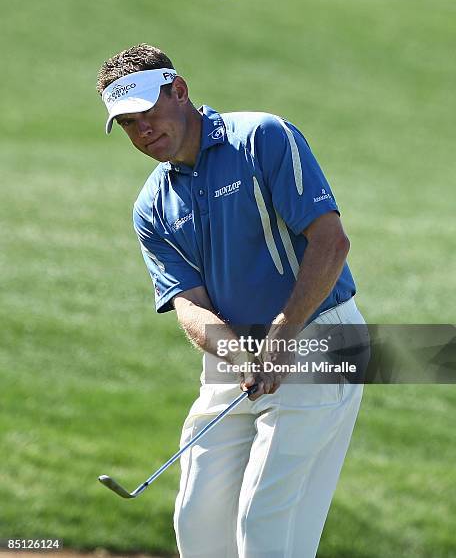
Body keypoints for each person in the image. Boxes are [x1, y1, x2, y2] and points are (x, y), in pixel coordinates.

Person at [96, 43, 368, 558]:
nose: (142, 132)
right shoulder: (152, 204)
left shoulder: (262, 137)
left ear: (179, 91)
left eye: (147, 114)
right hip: (236, 358)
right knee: (198, 520)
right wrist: (239, 353)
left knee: (264, 522)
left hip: (319, 338)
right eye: (128, 125)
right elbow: (189, 306)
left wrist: (281, 335)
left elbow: (331, 242)